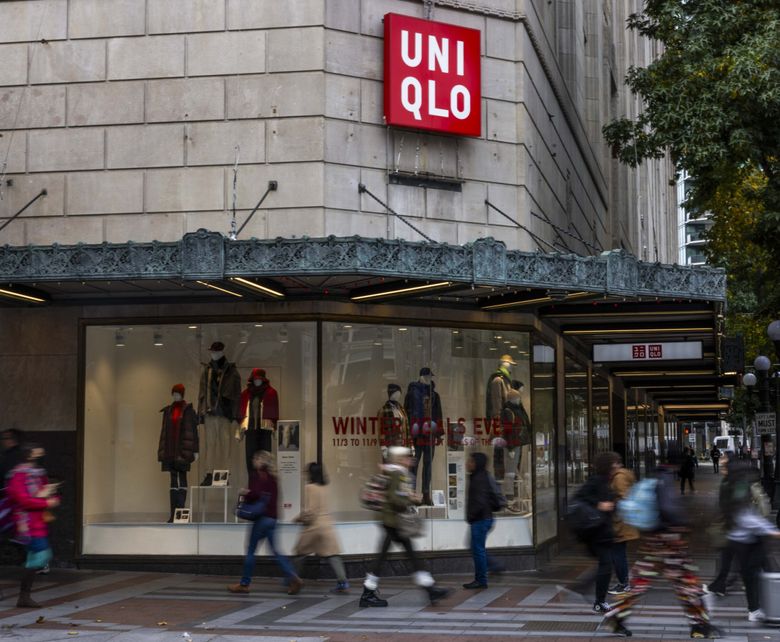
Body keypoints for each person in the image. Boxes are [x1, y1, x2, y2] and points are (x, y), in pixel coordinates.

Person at [603, 463, 717, 638]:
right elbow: (667, 508)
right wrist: (684, 523)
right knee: (685, 581)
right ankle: (699, 624)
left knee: (640, 579)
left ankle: (616, 615)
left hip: (654, 538)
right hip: (669, 539)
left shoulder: (653, 477)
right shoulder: (665, 479)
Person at [359, 446, 449, 607]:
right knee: (409, 556)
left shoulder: (392, 471)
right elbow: (395, 499)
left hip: (390, 521)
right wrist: (412, 499)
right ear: (399, 459)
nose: (411, 460)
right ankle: (430, 589)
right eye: (407, 457)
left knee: (400, 556)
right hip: (394, 521)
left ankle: (429, 589)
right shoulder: (397, 474)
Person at [227, 450, 303, 595]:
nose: (253, 461)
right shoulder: (273, 478)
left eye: (256, 458)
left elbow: (255, 494)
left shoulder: (259, 476)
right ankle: (293, 577)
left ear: (261, 461)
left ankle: (244, 584)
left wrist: (245, 492)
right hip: (272, 519)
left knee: (250, 550)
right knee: (276, 551)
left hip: (261, 519)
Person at [719, 458, 779, 621]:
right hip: (746, 541)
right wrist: (770, 531)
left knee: (752, 574)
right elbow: (745, 516)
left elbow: (747, 513)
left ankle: (756, 608)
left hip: (741, 539)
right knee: (759, 572)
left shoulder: (731, 485)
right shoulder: (739, 487)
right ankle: (758, 608)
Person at [6, 443, 60, 608]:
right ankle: (24, 596)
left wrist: (51, 496)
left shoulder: (38, 474)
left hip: (39, 522)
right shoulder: (18, 476)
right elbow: (23, 500)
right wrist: (45, 501)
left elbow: (49, 493)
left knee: (36, 558)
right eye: (38, 454)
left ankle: (24, 597)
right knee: (41, 555)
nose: (41, 457)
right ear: (29, 456)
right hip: (26, 524)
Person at [566, 451, 620, 613]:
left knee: (605, 565)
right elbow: (580, 497)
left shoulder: (604, 481)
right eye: (615, 463)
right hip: (597, 532)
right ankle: (596, 600)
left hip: (600, 531)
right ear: (608, 465)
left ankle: (585, 592)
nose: (618, 465)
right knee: (605, 565)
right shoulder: (596, 481)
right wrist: (599, 504)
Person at [291, 463, 349, 593]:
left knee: (300, 553)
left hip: (314, 527)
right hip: (327, 525)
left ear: (311, 474)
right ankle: (343, 581)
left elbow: (312, 510)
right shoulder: (325, 487)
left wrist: (299, 518)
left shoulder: (310, 487)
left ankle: (293, 579)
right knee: (333, 555)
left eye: (306, 472)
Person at [464, 452, 502, 589]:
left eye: (471, 461)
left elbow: (479, 502)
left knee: (477, 549)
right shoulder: (480, 476)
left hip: (481, 519)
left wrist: (471, 516)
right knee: (475, 547)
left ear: (477, 463)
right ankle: (492, 568)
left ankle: (481, 579)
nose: (467, 463)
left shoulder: (478, 478)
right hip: (484, 518)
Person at [608, 458, 639, 595]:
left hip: (620, 522)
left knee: (618, 553)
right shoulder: (623, 475)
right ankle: (624, 582)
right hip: (623, 521)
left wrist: (610, 502)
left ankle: (624, 583)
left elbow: (624, 497)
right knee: (618, 552)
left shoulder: (619, 478)